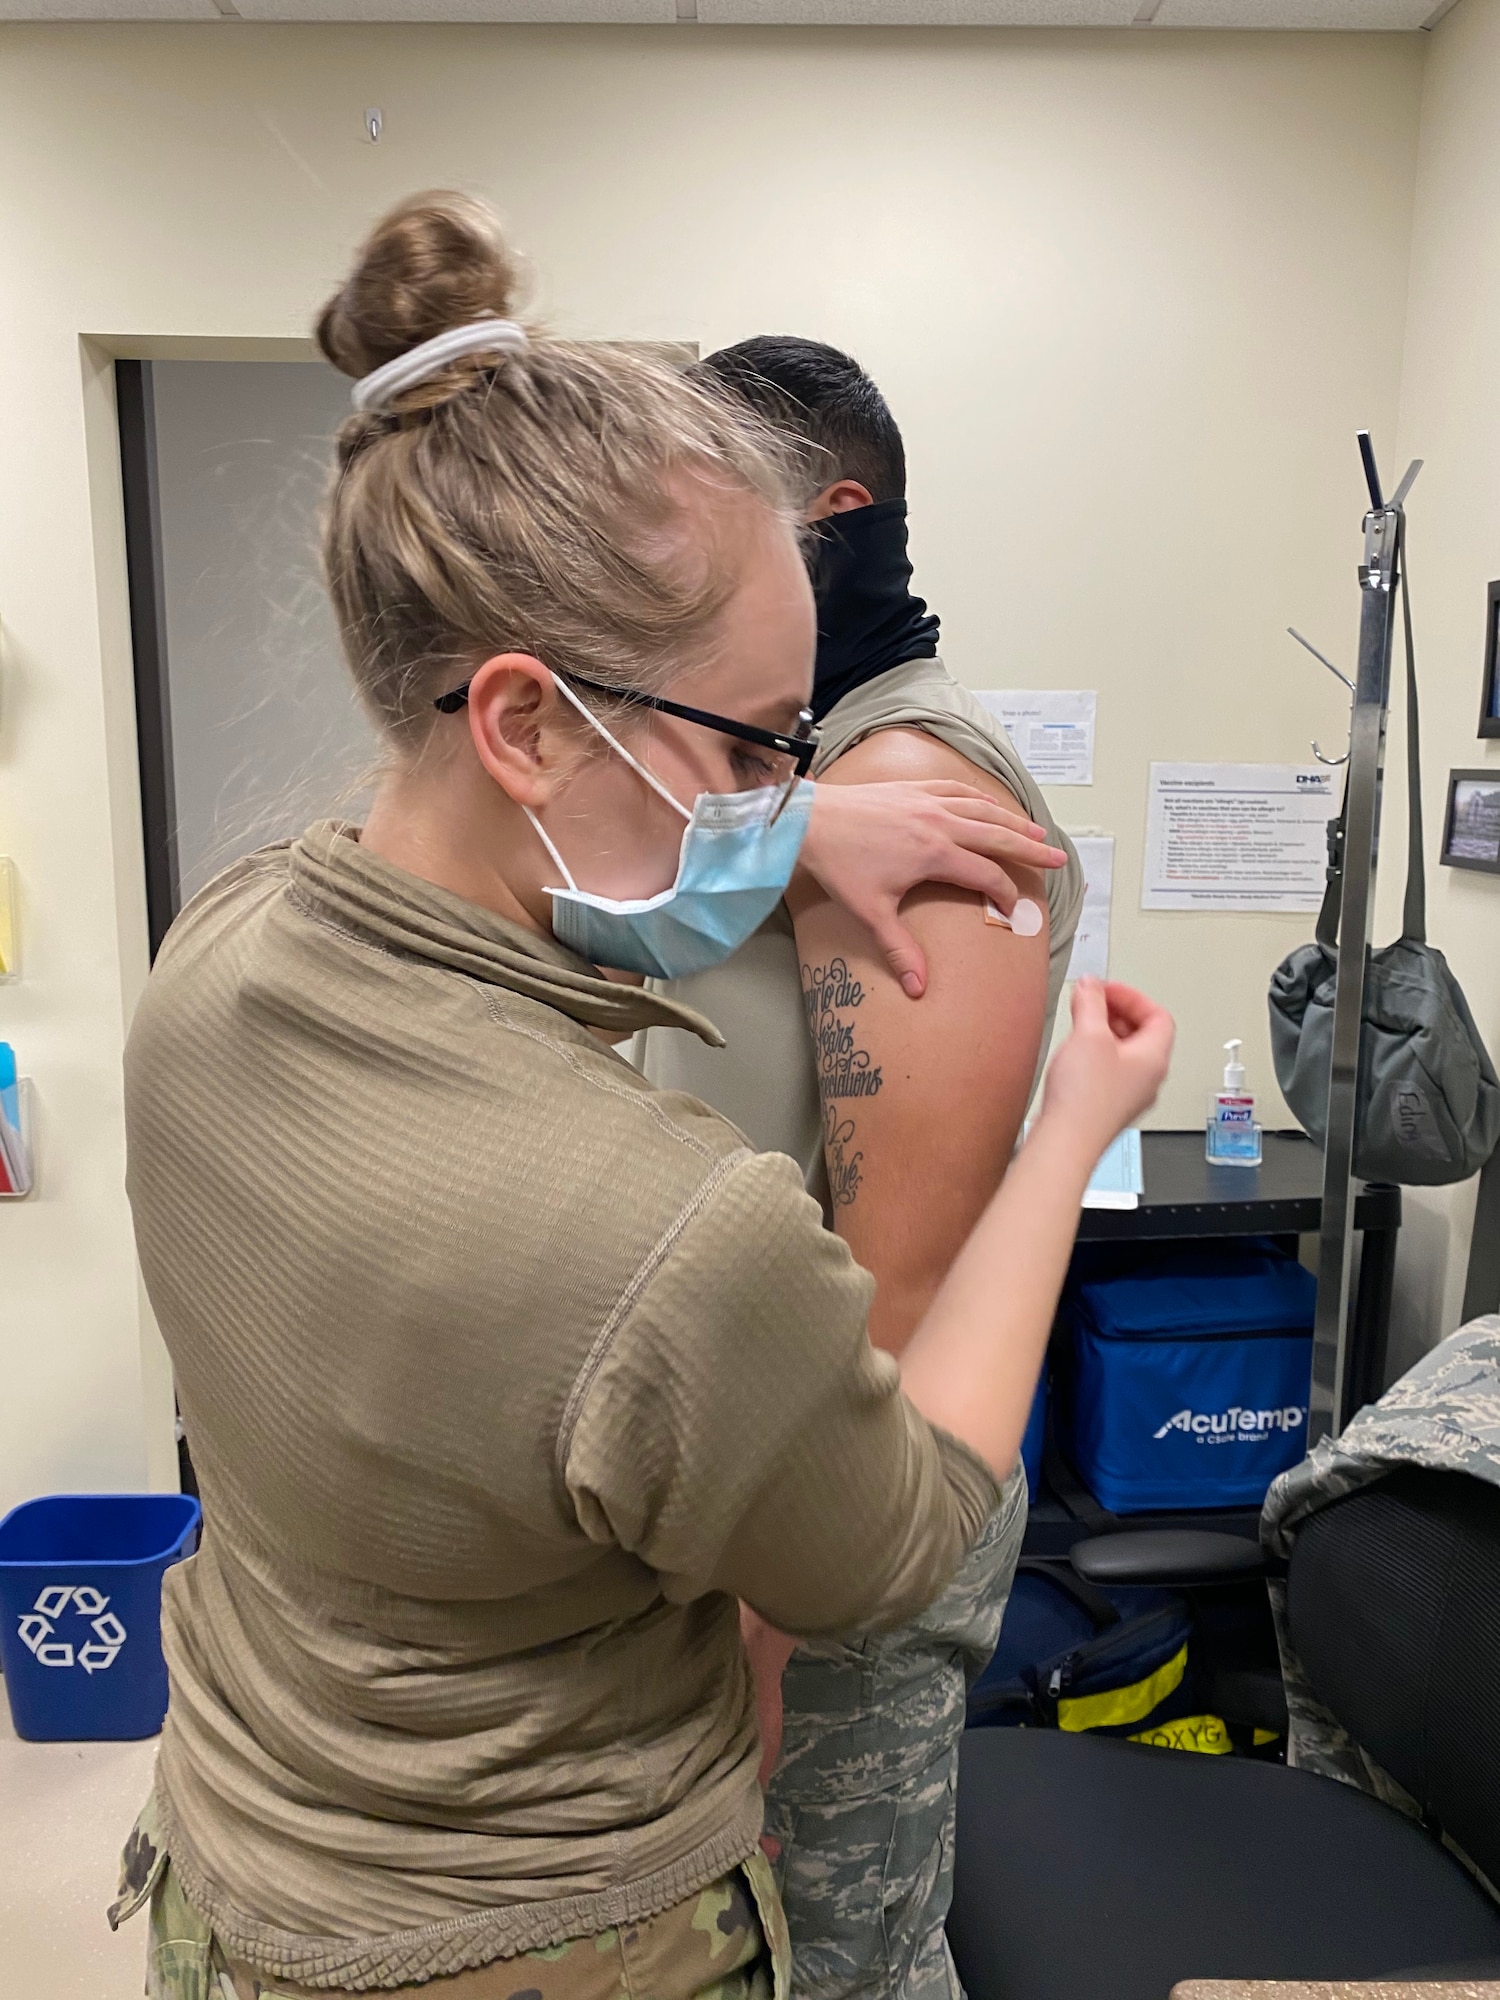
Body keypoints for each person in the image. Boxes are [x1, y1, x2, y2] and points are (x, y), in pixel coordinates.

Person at [110, 192, 1172, 2000]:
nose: (790, 787)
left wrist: (793, 812)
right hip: (545, 1935)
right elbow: (898, 1515)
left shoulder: (213, 956)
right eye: (762, 739)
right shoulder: (665, 1237)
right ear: (524, 720)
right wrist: (1067, 1131)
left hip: (239, 1864)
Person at [640, 337, 1086, 2000]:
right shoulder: (807, 777)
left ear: (824, 519)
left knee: (832, 1955)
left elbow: (898, 1274)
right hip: (751, 1495)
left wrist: (771, 1631)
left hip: (835, 1522)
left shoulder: (915, 787)